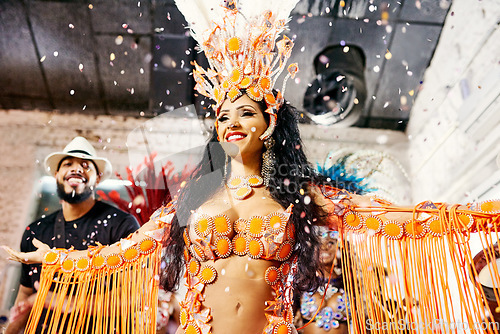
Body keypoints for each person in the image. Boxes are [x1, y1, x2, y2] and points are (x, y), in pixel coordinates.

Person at [3, 1, 500, 334]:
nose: (232, 122)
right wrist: (56, 261)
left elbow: (379, 216)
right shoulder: (194, 196)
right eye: (223, 115)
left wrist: (475, 215)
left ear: (269, 122)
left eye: (246, 112)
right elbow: (127, 252)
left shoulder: (297, 192)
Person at [5, 136, 140, 334]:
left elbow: (132, 298)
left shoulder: (121, 225)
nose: (76, 168)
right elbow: (25, 295)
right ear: (57, 174)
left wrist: (63, 301)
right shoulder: (35, 231)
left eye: (85, 165)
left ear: (99, 177)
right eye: (68, 164)